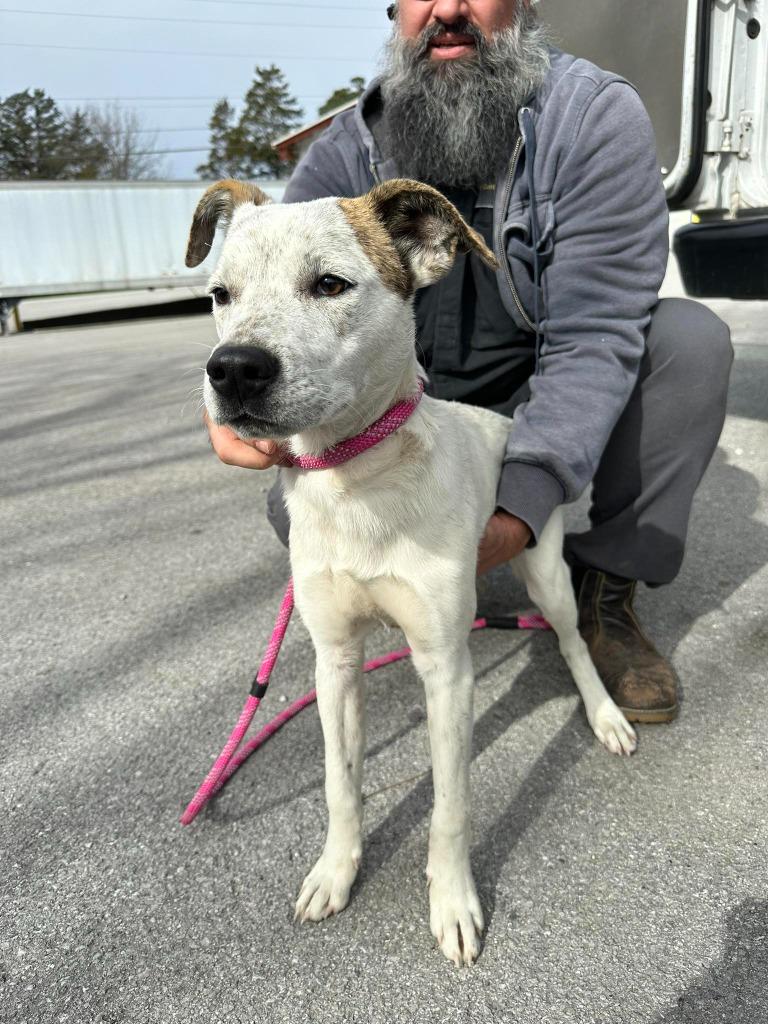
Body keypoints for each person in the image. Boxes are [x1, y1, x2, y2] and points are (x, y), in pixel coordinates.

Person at [204, 0, 733, 724]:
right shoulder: (347, 147)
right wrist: (240, 404)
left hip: (536, 382)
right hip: (409, 399)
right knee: (288, 506)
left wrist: (521, 503)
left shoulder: (591, 118)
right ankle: (415, 579)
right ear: (394, 12)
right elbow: (258, 290)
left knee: (687, 343)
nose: (448, 9)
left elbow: (597, 334)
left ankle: (605, 590)